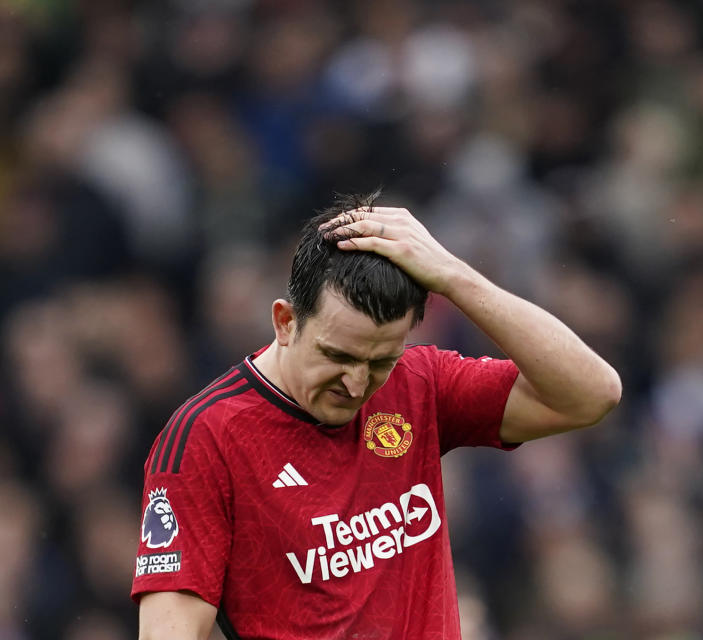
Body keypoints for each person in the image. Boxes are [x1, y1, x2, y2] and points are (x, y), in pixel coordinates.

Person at [131, 193, 622, 639]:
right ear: (285, 321)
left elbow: (591, 394)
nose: (357, 385)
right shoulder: (206, 438)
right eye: (338, 356)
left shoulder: (421, 383)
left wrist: (455, 276)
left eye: (381, 361)